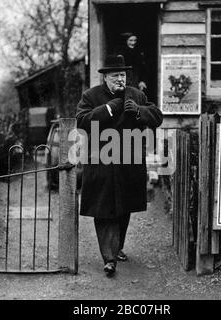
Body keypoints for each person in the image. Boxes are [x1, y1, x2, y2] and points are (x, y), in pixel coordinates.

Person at [76, 55, 163, 277]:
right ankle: (109, 258)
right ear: (105, 77)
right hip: (101, 162)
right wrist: (108, 109)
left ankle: (117, 247)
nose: (120, 80)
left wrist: (139, 111)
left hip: (129, 162)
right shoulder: (91, 96)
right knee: (103, 209)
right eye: (115, 76)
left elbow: (157, 117)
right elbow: (82, 122)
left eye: (123, 75)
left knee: (123, 208)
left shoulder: (136, 95)